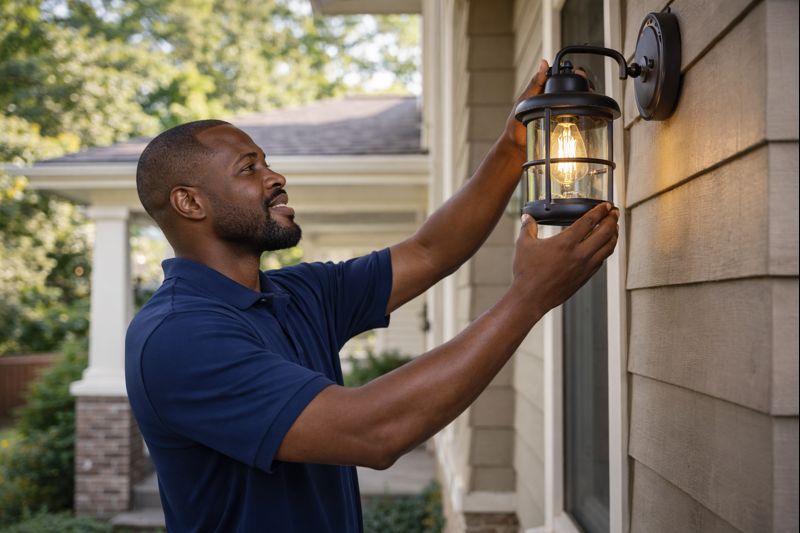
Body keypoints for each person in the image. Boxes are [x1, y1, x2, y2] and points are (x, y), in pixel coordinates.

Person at [125, 60, 619, 533]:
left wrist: (517, 142)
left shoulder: (295, 294)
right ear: (190, 202)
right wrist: (528, 298)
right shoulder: (178, 336)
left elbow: (429, 251)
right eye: (248, 168)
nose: (275, 178)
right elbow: (372, 432)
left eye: (267, 163)